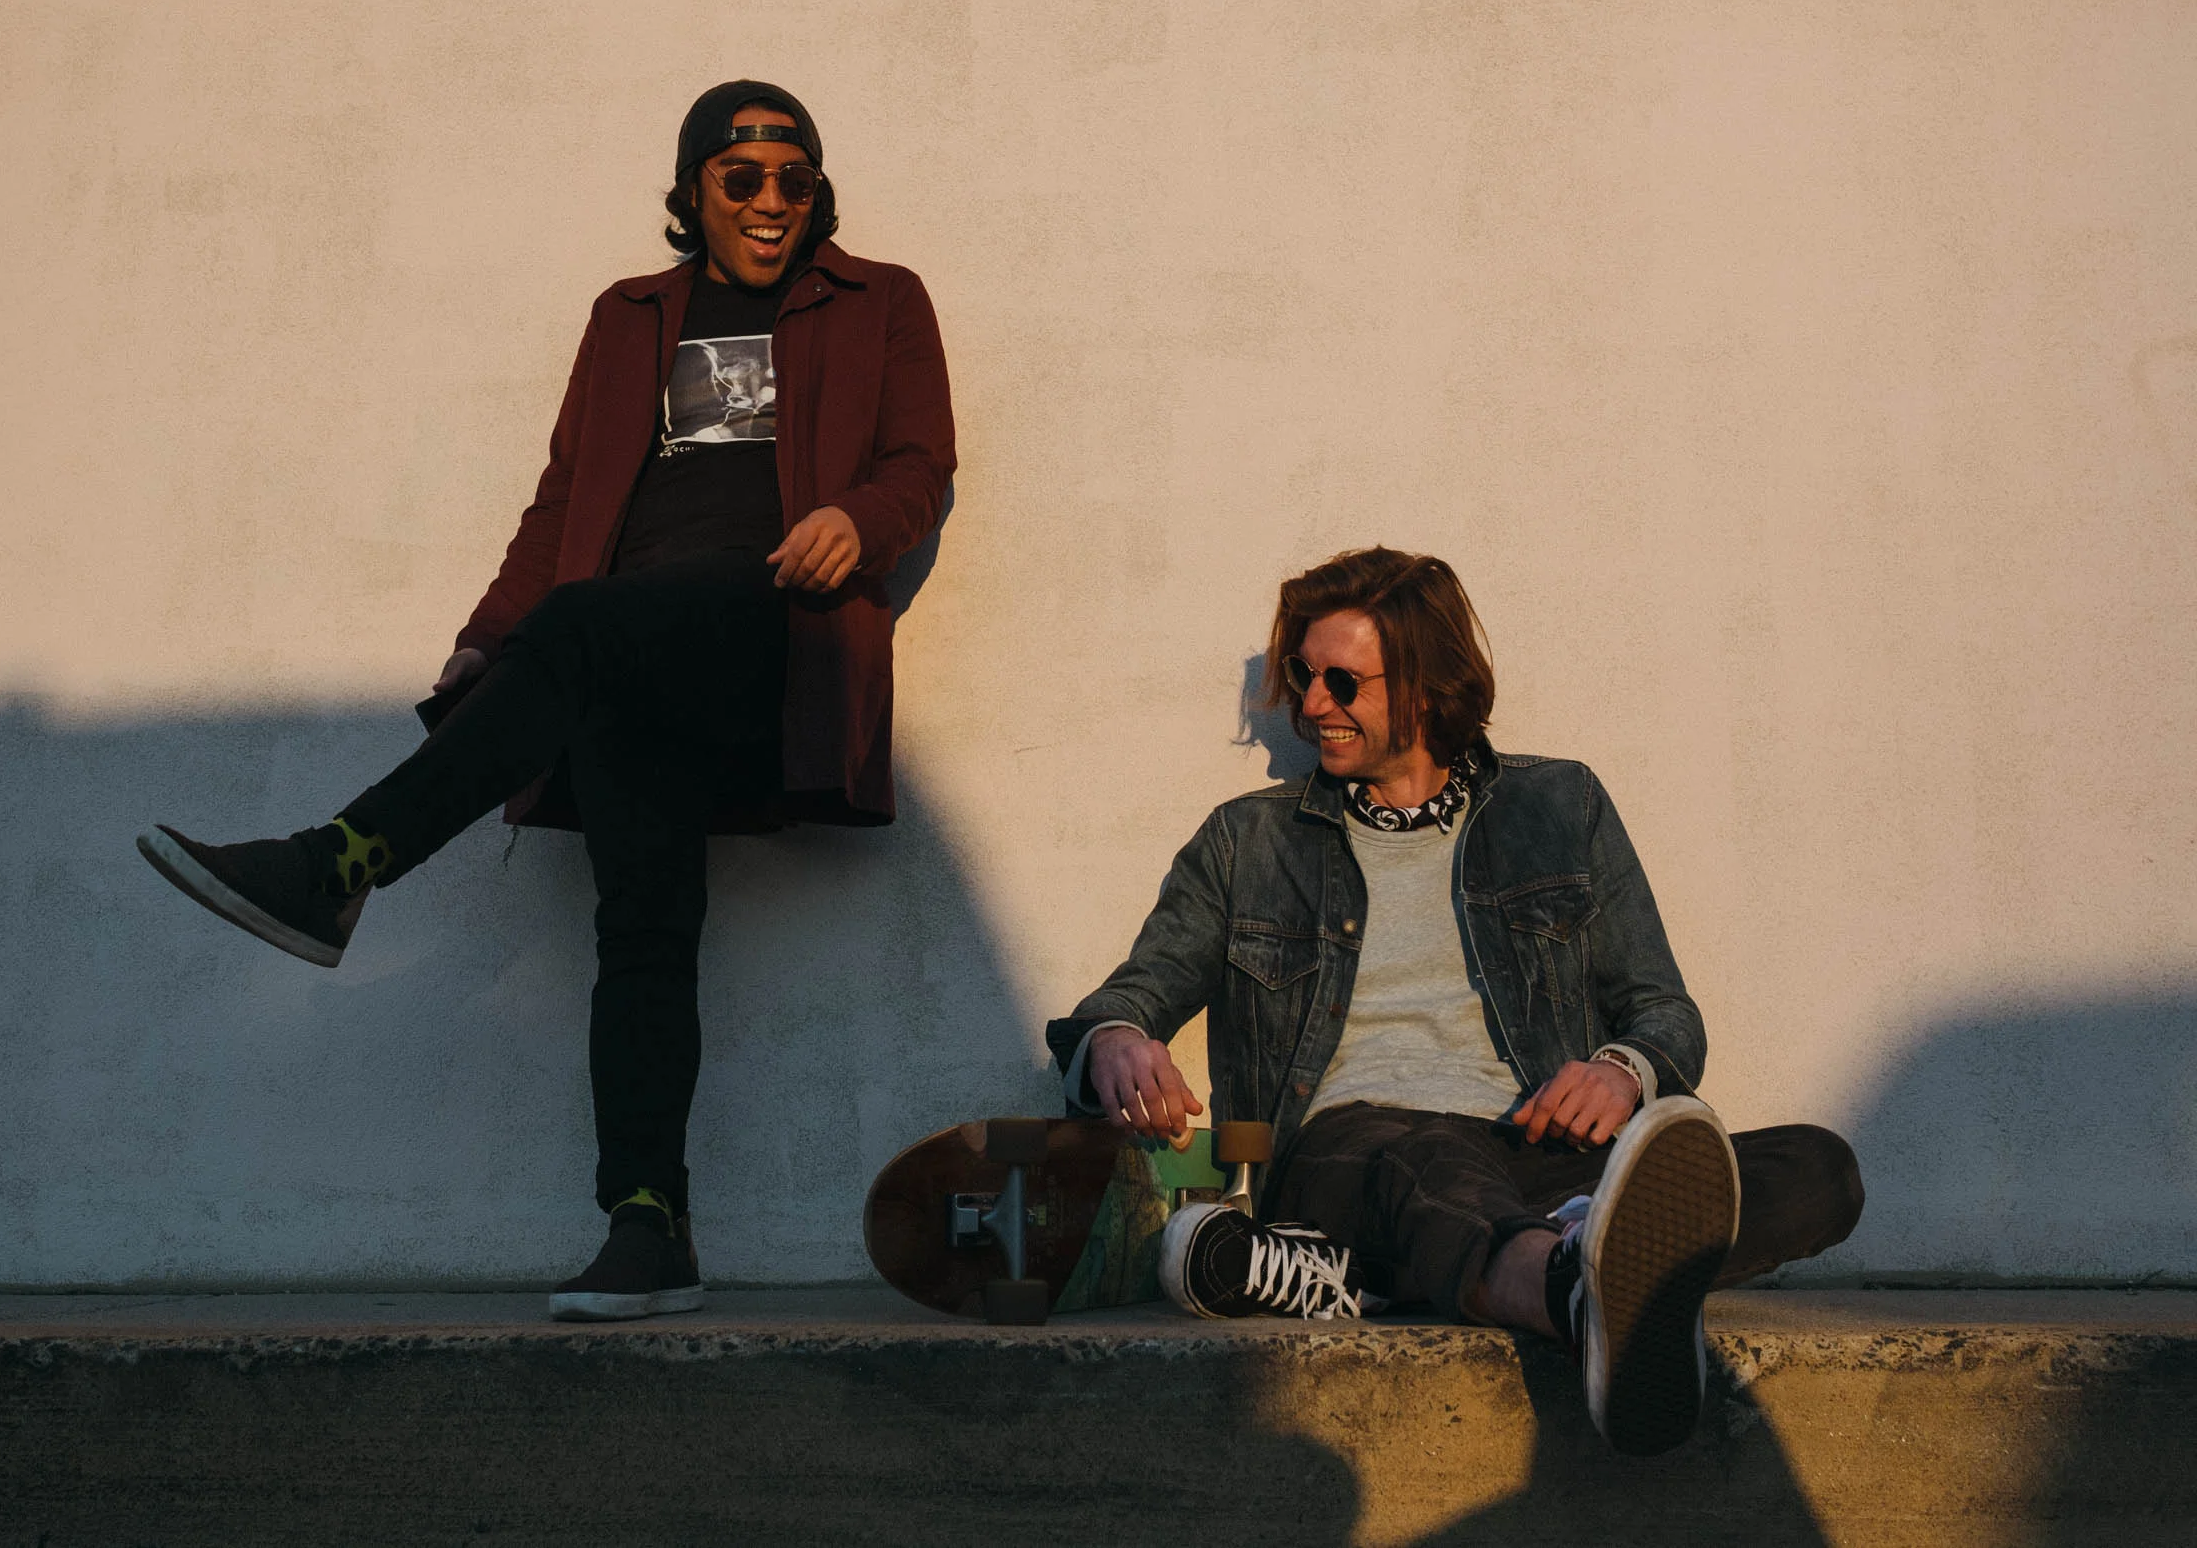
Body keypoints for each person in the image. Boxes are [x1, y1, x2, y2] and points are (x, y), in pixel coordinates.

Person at [139, 80, 956, 1323]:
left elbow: (921, 462)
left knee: (577, 626)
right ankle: (649, 1225)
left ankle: (338, 863)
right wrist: (488, 641)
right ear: (692, 189)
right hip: (621, 654)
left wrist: (860, 517)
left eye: (796, 180)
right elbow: (564, 495)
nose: (772, 201)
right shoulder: (629, 318)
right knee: (642, 928)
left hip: (772, 624)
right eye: (742, 178)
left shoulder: (878, 299)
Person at [1045, 548, 1861, 1455]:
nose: (1312, 705)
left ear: (1427, 686)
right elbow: (1130, 995)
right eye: (1302, 677)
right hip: (1347, 1150)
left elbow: (1665, 1011)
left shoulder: (1563, 806)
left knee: (1820, 1167)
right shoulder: (1249, 841)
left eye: (1343, 682)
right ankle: (1572, 1289)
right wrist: (1114, 1038)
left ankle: (1388, 1274)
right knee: (1425, 1157)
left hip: (1532, 1152)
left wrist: (1624, 1071)